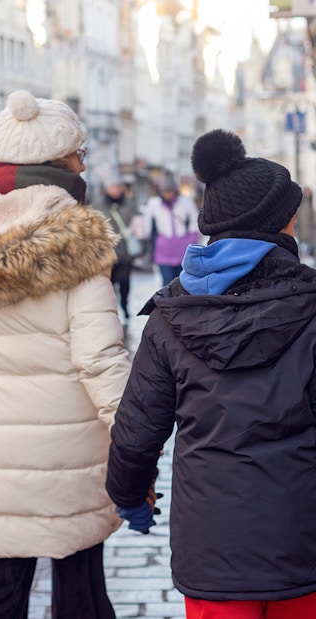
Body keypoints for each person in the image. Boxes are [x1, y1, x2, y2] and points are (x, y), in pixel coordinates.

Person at [0, 89, 131, 619]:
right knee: (80, 593)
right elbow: (100, 361)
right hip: (68, 460)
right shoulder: (79, 239)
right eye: (80, 154)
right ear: (58, 164)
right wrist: (137, 445)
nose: (85, 163)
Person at [106, 129, 316, 618]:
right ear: (283, 223)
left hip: (212, 546)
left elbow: (137, 432)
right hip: (304, 537)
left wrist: (130, 496)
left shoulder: (170, 316)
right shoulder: (311, 305)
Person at [94, 180, 142, 320]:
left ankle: (124, 305)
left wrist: (141, 244)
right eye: (111, 187)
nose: (114, 191)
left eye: (117, 187)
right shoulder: (98, 206)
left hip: (125, 250)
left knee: (125, 281)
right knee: (108, 283)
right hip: (106, 252)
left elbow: (138, 226)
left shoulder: (130, 205)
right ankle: (111, 308)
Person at [143, 172, 199, 285]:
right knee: (167, 281)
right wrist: (151, 240)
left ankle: (180, 302)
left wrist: (192, 238)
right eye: (166, 192)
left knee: (182, 280)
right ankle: (167, 302)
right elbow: (148, 224)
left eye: (171, 191)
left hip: (183, 247)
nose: (169, 194)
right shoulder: (154, 204)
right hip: (163, 249)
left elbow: (195, 220)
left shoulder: (186, 202)